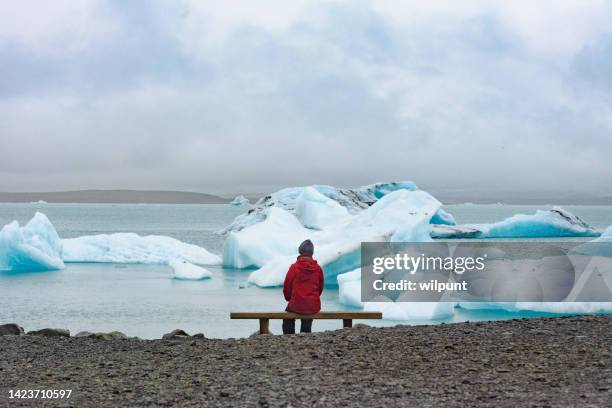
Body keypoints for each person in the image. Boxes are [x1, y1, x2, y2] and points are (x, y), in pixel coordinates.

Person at [282, 239, 324, 334]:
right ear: (311, 253)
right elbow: (320, 288)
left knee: (287, 319)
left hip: (296, 304)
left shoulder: (294, 267)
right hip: (313, 305)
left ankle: (289, 338)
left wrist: (289, 299)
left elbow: (287, 286)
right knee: (307, 321)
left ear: (300, 251)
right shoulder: (318, 269)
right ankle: (305, 336)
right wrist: (312, 298)